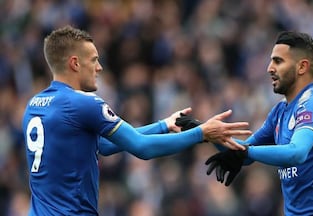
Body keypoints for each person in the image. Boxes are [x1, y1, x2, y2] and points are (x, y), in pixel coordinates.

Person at [22, 25, 252, 215]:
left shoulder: (34, 106)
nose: (99, 68)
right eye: (94, 60)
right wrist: (201, 133)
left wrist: (163, 126)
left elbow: (101, 145)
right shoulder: (84, 103)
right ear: (75, 63)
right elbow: (142, 148)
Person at [177, 31, 313, 215]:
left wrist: (247, 151)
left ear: (302, 67)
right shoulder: (280, 112)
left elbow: (296, 152)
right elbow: (244, 153)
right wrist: (204, 132)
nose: (269, 68)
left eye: (278, 61)